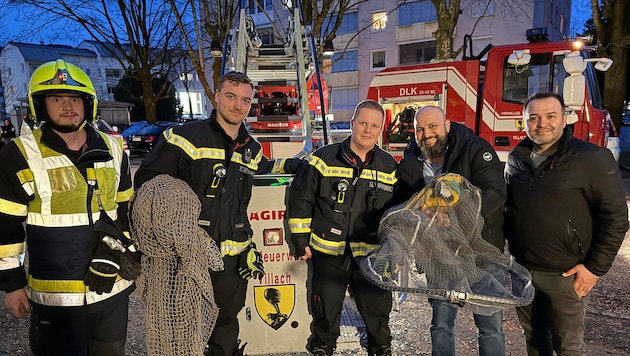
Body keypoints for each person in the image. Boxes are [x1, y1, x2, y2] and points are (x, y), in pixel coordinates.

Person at [133, 71, 300, 356]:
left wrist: (299, 165)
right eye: (231, 97)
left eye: (245, 100)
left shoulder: (251, 148)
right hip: (187, 257)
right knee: (182, 328)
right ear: (217, 96)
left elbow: (264, 168)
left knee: (226, 323)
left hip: (233, 260)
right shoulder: (183, 138)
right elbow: (149, 186)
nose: (238, 105)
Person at [0, 59, 137, 355]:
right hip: (56, 299)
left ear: (88, 104)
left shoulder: (114, 148)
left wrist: (129, 250)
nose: (67, 106)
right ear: (40, 105)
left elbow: (126, 211)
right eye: (57, 98)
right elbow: (5, 227)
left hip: (111, 290)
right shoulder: (21, 153)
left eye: (74, 98)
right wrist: (12, 285)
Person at [503, 92, 629, 355]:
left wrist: (594, 268)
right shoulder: (517, 157)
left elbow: (616, 218)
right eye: (533, 118)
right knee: (535, 340)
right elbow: (509, 209)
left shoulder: (591, 158)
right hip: (522, 271)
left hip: (566, 275)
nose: (542, 124)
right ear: (523, 122)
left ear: (564, 119)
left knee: (568, 347)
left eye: (550, 116)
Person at [287, 100, 398, 356]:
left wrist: (396, 251)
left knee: (378, 318)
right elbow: (301, 200)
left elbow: (397, 213)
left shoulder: (389, 166)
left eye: (374, 125)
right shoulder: (322, 159)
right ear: (352, 124)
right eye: (363, 123)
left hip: (371, 258)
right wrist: (300, 240)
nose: (367, 130)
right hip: (328, 254)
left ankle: (380, 350)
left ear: (380, 130)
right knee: (325, 315)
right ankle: (323, 349)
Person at [395, 105, 506, 356]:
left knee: (490, 327)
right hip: (439, 255)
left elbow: (495, 193)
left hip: (481, 254)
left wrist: (456, 216)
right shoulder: (413, 156)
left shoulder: (475, 149)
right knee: (441, 326)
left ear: (447, 125)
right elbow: (404, 200)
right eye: (420, 129)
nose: (426, 134)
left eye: (432, 126)